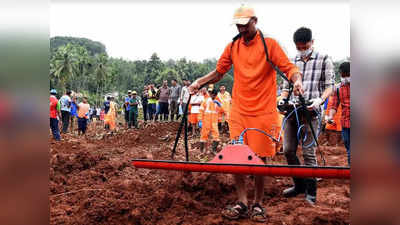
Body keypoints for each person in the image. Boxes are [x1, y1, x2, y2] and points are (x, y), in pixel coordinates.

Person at [188, 5, 303, 222]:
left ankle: (258, 204)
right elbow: (219, 71)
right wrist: (199, 82)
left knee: (261, 158)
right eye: (238, 26)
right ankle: (241, 201)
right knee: (236, 157)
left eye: (245, 25)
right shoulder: (233, 46)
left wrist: (297, 81)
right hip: (239, 110)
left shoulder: (269, 44)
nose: (241, 29)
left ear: (255, 21)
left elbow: (289, 68)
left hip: (263, 111)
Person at [279, 27, 334, 205]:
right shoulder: (291, 61)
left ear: (312, 42)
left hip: (312, 113)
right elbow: (286, 87)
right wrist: (282, 100)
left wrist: (320, 100)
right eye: (299, 47)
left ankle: (311, 193)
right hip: (293, 112)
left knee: (309, 153)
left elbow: (330, 86)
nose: (302, 49)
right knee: (288, 150)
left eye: (305, 46)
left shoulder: (324, 59)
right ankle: (299, 185)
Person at [326, 61, 350, 165]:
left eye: (348, 75)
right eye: (343, 75)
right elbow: (334, 105)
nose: (345, 78)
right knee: (349, 149)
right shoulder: (338, 89)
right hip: (346, 124)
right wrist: (330, 116)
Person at [199, 89, 224, 154]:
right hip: (206, 121)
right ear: (210, 94)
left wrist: (219, 105)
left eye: (215, 95)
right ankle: (202, 151)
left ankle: (213, 150)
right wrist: (200, 120)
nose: (213, 96)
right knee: (204, 136)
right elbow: (201, 110)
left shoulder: (217, 102)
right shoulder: (205, 101)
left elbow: (222, 111)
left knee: (216, 136)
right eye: (212, 95)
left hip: (214, 122)